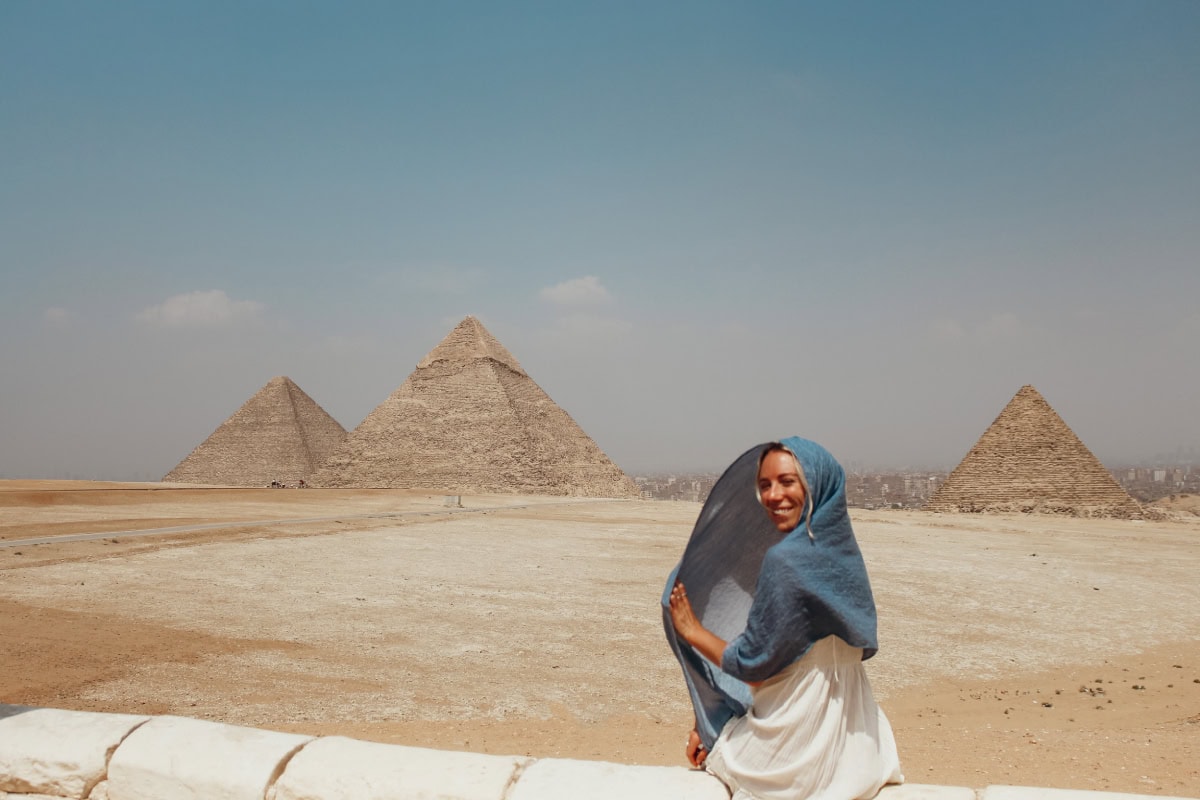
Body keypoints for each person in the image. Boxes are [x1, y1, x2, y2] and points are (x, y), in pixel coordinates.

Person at [664, 437, 902, 800]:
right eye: (764, 485)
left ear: (816, 483)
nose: (773, 496)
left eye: (788, 481)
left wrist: (692, 631)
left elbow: (753, 665)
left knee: (713, 740)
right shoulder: (842, 552)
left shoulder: (785, 562)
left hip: (793, 751)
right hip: (859, 746)